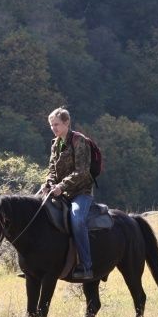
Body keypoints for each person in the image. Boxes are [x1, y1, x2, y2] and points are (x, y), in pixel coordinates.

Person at [41, 107, 95, 281]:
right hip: (59, 191)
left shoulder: (79, 141)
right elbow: (51, 169)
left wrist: (62, 186)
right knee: (37, 213)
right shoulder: (55, 144)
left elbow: (82, 172)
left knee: (77, 219)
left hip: (81, 192)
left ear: (66, 123)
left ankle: (86, 266)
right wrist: (49, 182)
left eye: (56, 124)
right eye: (51, 125)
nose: (53, 128)